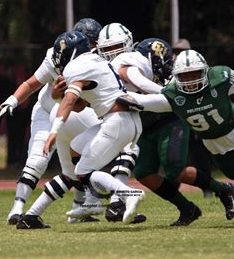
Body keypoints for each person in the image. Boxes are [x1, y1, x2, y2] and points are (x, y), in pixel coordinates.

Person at [130, 49, 234, 226]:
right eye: (185, 76)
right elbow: (143, 102)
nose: (191, 80)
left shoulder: (219, 78)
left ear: (205, 71)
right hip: (218, 146)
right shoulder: (173, 95)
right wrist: (113, 98)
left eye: (195, 74)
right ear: (176, 77)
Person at [17, 31, 145, 229]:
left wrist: (53, 131)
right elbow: (80, 104)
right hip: (123, 120)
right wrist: (59, 97)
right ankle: (33, 216)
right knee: (75, 151)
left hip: (117, 121)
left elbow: (70, 101)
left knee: (82, 170)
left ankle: (129, 194)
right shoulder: (95, 61)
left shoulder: (76, 66)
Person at [110, 38, 234, 226]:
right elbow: (141, 84)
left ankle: (222, 189)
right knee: (144, 172)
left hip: (171, 122)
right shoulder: (130, 67)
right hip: (146, 125)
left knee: (174, 170)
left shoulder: (172, 74)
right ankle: (187, 208)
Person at [0, 18, 103, 225]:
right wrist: (12, 100)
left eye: (93, 43)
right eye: (89, 42)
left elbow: (82, 102)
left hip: (74, 111)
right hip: (47, 111)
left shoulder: (97, 61)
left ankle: (80, 207)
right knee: (38, 160)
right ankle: (17, 209)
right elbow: (31, 84)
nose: (91, 48)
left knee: (86, 153)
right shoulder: (58, 54)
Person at [172, 38, 215, 198]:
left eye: (179, 51)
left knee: (200, 154)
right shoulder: (172, 68)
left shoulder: (198, 68)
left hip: (196, 118)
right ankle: (172, 188)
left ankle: (208, 188)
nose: (176, 54)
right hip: (177, 120)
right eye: (174, 51)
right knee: (174, 157)